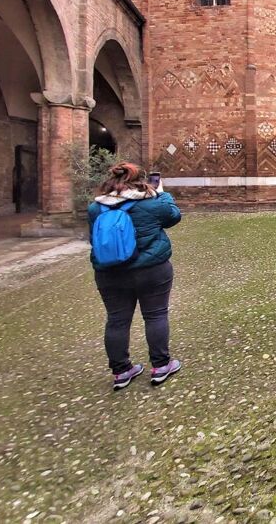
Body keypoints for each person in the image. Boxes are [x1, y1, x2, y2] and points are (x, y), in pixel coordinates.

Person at [88, 162, 182, 390]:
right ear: (141, 181)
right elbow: (174, 216)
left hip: (109, 273)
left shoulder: (96, 208)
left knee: (117, 320)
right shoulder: (151, 203)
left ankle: (121, 371)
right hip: (151, 270)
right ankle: (161, 366)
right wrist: (162, 193)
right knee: (156, 315)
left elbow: (94, 236)